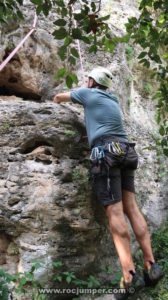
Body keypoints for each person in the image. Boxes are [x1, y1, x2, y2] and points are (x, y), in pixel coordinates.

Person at [53, 67, 163, 299]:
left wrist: (57, 99)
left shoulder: (88, 93)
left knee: (115, 212)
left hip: (106, 153)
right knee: (131, 208)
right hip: (125, 150)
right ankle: (151, 266)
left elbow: (59, 97)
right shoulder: (112, 99)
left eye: (88, 79)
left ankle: (129, 278)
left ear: (92, 82)